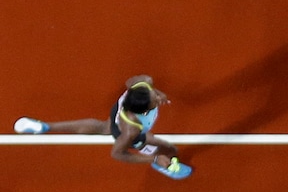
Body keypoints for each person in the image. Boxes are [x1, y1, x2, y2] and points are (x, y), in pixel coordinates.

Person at [13, 74, 193, 179]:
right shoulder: (132, 130)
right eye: (155, 100)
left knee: (104, 127)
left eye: (154, 93)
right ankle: (164, 163)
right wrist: (153, 159)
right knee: (169, 149)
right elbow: (117, 153)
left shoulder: (142, 83)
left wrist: (158, 93)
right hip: (130, 132)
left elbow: (131, 82)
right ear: (144, 110)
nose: (158, 98)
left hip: (118, 113)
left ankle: (46, 126)